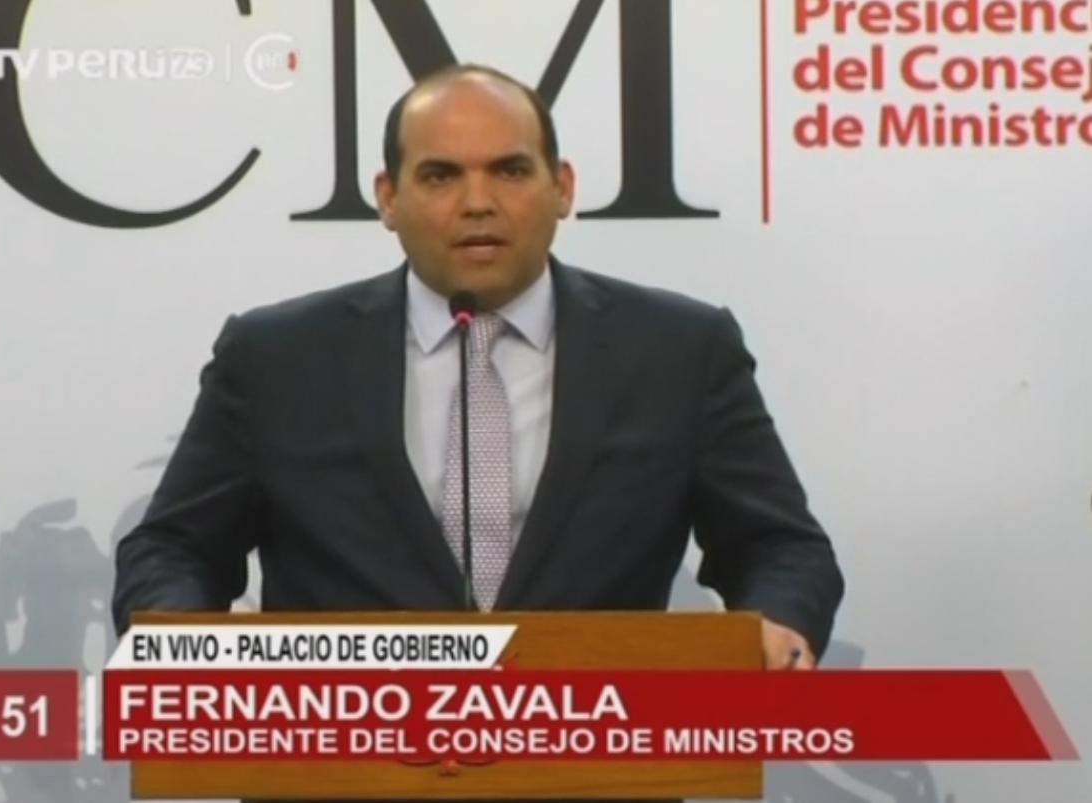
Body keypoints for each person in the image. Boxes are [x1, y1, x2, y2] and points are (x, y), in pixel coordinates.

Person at [112, 64, 844, 673]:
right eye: (440, 176)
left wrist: (776, 622)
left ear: (562, 186)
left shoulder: (679, 351)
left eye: (510, 170)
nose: (478, 202)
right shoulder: (276, 358)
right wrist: (180, 642)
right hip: (343, 766)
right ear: (388, 199)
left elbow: (779, 546)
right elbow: (174, 547)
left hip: (598, 762)